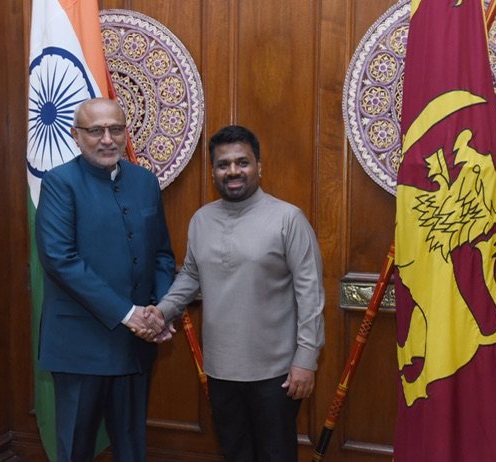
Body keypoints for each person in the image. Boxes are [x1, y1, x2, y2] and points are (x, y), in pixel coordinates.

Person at [144, 125, 325, 461]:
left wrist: (306, 359)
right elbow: (191, 275)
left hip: (277, 373)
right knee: (235, 453)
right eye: (223, 164)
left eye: (242, 162)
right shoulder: (201, 219)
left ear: (259, 166)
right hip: (219, 370)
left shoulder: (288, 218)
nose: (233, 171)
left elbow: (310, 294)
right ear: (213, 171)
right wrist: (162, 310)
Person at [35, 97, 175, 462]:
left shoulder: (145, 181)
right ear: (76, 135)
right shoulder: (59, 183)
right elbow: (60, 260)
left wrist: (161, 311)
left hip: (136, 346)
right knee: (75, 450)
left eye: (115, 129)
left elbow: (162, 254)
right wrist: (130, 315)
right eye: (96, 131)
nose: (108, 139)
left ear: (126, 132)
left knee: (132, 449)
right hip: (81, 346)